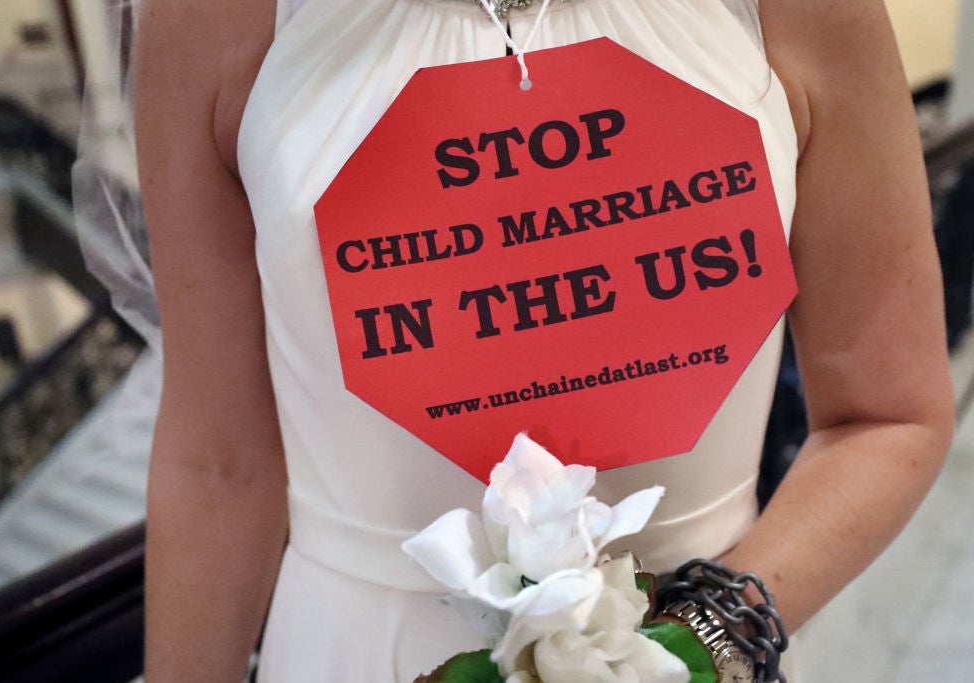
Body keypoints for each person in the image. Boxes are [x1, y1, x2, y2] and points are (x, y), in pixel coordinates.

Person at [130, 0, 955, 680]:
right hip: (350, 651)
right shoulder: (214, 21)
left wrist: (698, 636)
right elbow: (217, 462)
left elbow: (886, 414)